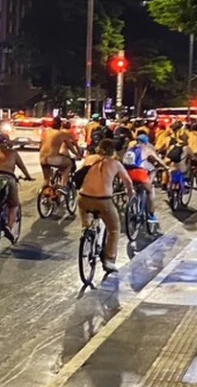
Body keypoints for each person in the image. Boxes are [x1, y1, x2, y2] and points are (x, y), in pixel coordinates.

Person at [77, 139, 134, 273]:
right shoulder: (116, 164)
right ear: (113, 151)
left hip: (83, 197)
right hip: (103, 200)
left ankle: (86, 230)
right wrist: (131, 195)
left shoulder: (90, 159)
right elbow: (128, 183)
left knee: (86, 216)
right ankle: (109, 260)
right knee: (114, 228)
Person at [0, 133, 34, 243]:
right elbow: (22, 167)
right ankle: (8, 226)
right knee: (14, 204)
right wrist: (28, 177)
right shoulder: (13, 153)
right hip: (8, 178)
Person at [123, 134, 161, 225]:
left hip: (127, 173)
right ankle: (151, 215)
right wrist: (166, 167)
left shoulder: (130, 150)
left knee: (133, 189)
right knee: (150, 191)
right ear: (145, 142)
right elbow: (158, 160)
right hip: (139, 174)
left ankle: (132, 203)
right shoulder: (146, 150)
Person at [39, 116, 81, 191]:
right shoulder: (61, 134)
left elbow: (41, 145)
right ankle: (63, 185)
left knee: (46, 180)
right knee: (69, 164)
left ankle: (45, 197)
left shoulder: (45, 132)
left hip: (42, 158)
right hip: (52, 158)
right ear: (60, 125)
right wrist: (77, 154)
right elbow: (71, 147)